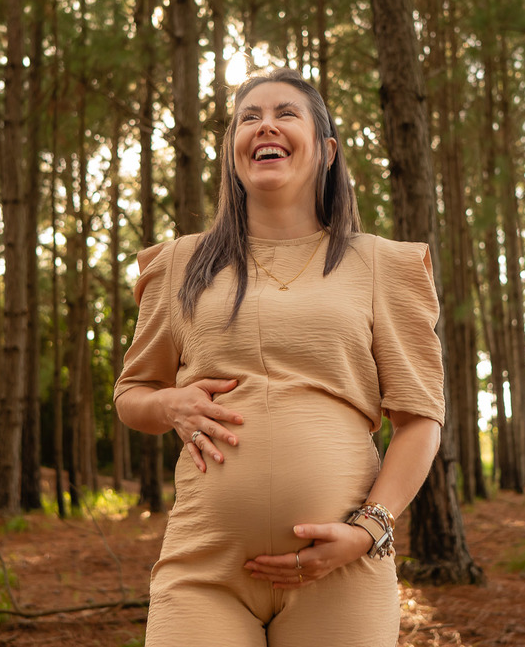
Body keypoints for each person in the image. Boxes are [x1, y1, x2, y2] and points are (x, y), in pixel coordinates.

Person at [113, 67, 445, 647]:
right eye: (249, 118)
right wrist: (169, 404)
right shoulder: (180, 264)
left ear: (326, 150)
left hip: (342, 571)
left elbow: (420, 418)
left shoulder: (380, 265)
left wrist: (369, 531)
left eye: (286, 113)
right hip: (205, 572)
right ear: (233, 151)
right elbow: (131, 395)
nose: (265, 125)